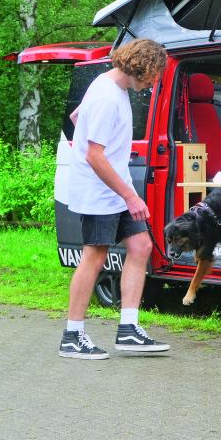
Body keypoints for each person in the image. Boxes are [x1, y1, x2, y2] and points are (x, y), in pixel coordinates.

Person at [58, 38, 169, 359]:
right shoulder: (108, 96)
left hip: (113, 188)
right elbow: (95, 156)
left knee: (141, 246)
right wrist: (130, 196)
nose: (153, 82)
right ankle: (72, 336)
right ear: (141, 67)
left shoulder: (106, 86)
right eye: (153, 75)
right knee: (94, 256)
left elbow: (78, 117)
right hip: (99, 191)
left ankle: (128, 330)